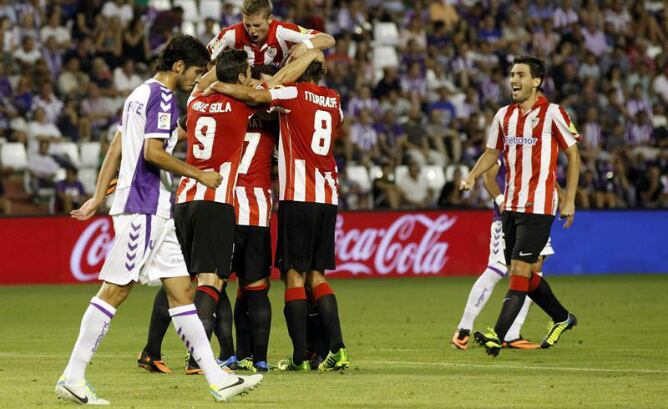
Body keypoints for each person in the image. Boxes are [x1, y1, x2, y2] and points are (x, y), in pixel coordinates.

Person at [55, 35, 261, 405]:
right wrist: (199, 175)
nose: (196, 79)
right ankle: (73, 375)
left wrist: (98, 197)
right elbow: (152, 152)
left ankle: (217, 378)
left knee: (182, 292)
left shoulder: (138, 94)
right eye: (196, 72)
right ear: (178, 66)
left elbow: (116, 148)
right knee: (115, 291)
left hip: (158, 210)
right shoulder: (162, 98)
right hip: (143, 207)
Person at [136, 50, 327, 375]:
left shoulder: (196, 99)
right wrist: (306, 53)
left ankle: (151, 351)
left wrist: (221, 70)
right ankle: (200, 360)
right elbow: (271, 87)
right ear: (241, 79)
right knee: (214, 280)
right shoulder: (245, 105)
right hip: (218, 199)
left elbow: (203, 88)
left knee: (177, 278)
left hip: (184, 198)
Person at [214, 59, 350, 371]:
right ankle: (337, 349)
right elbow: (332, 122)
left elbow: (259, 97)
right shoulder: (334, 99)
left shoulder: (291, 93)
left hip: (298, 196)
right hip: (329, 194)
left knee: (294, 276)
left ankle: (300, 357)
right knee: (317, 276)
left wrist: (221, 85)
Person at [459, 56, 580, 357]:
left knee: (520, 270)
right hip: (510, 207)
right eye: (512, 74)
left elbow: (573, 156)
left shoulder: (554, 114)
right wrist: (472, 176)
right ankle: (562, 317)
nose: (514, 80)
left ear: (537, 81)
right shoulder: (503, 116)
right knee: (520, 270)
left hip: (539, 207)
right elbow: (491, 152)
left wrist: (570, 199)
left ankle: (496, 334)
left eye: (521, 75)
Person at [451, 161, 556, 350]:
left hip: (536, 216)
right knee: (497, 269)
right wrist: (500, 201)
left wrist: (564, 197)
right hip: (507, 219)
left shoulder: (540, 147)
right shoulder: (507, 145)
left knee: (533, 273)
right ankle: (463, 330)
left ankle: (512, 334)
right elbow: (488, 177)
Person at [207, 0, 335, 68]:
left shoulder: (283, 31)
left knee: (316, 55)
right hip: (242, 95)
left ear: (269, 19)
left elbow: (328, 39)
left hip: (277, 92)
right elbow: (207, 59)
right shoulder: (230, 35)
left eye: (257, 25)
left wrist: (304, 45)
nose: (252, 31)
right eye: (247, 25)